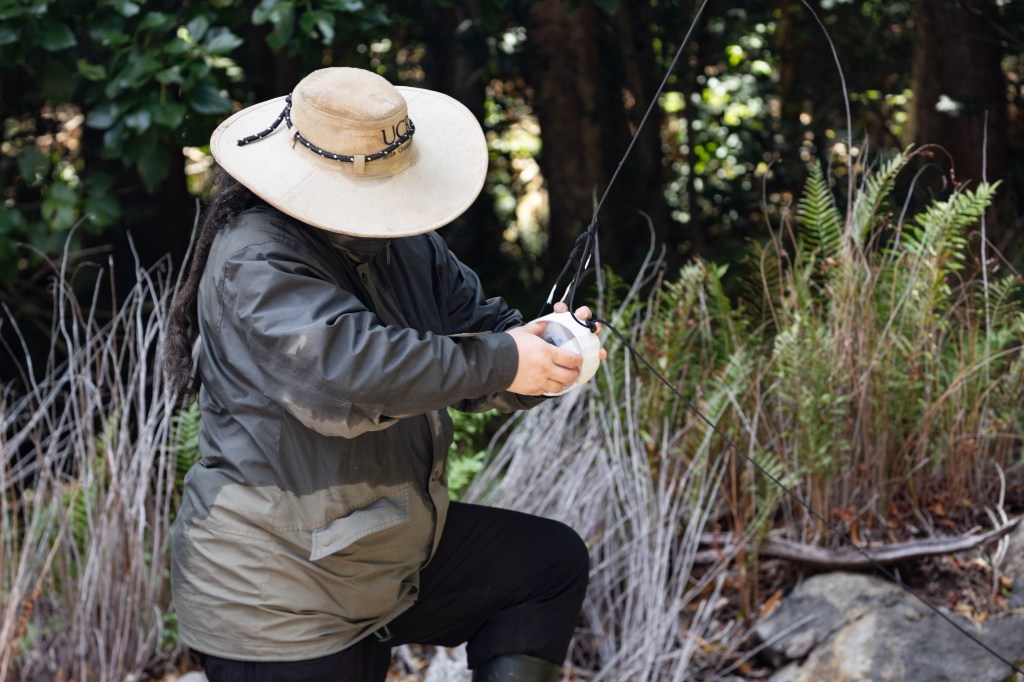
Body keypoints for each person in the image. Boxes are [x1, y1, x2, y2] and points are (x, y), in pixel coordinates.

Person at [163, 66, 605, 682]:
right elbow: (356, 372)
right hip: (278, 598)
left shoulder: (406, 244)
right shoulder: (254, 259)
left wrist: (546, 354)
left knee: (544, 565)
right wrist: (505, 358)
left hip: (378, 550)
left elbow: (479, 333)